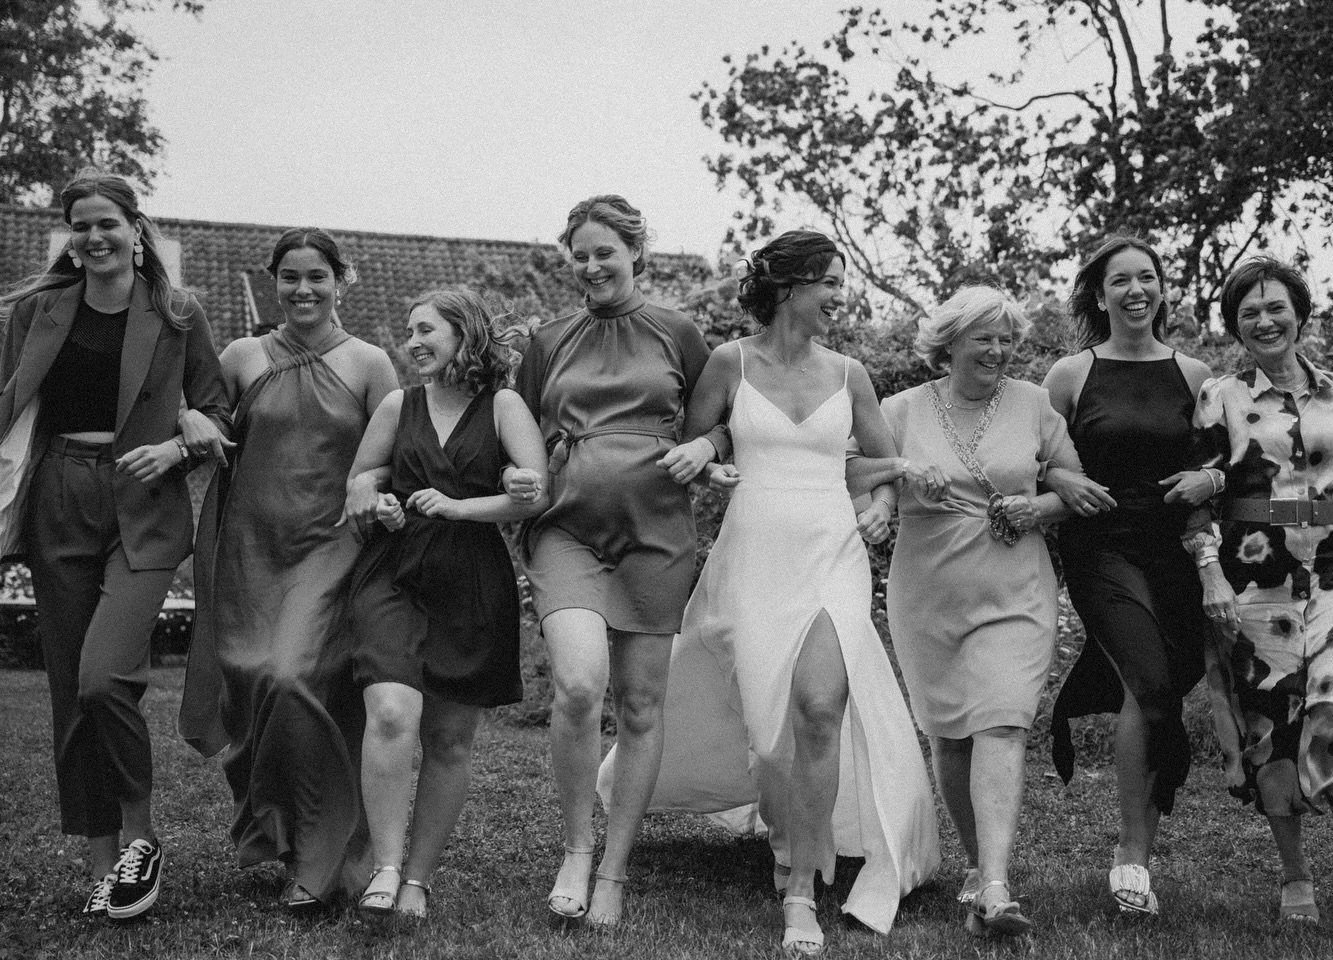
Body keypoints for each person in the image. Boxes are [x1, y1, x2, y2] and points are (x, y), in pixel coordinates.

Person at [604, 230, 940, 952]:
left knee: (819, 709)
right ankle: (789, 840)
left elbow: (881, 464)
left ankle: (800, 891)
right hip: (753, 555)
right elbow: (698, 447)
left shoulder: (850, 374)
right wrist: (711, 462)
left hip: (831, 552)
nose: (840, 297)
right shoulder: (730, 363)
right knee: (768, 735)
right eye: (831, 283)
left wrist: (883, 506)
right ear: (789, 286)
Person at [0, 170, 229, 919]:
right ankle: (104, 867)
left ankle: (141, 838)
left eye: (108, 223)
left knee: (104, 677)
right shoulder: (36, 311)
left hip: (145, 505)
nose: (95, 236)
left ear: (136, 230)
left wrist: (181, 446)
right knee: (70, 688)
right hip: (59, 497)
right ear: (69, 237)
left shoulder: (178, 312)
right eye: (81, 225)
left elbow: (219, 411)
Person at [505, 195, 729, 926]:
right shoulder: (548, 340)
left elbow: (725, 418)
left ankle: (614, 870)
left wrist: (710, 446)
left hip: (656, 534)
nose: (592, 265)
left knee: (639, 704)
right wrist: (514, 475)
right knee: (577, 685)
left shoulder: (677, 331)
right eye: (580, 255)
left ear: (636, 252)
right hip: (566, 529)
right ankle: (576, 850)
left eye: (605, 251)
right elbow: (513, 430)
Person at [848, 285, 1082, 936]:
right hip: (927, 593)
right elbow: (855, 470)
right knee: (950, 735)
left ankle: (997, 887)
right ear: (949, 343)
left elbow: (1072, 484)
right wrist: (891, 488)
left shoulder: (1033, 404)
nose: (999, 350)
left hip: (1015, 588)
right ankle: (978, 867)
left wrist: (1037, 506)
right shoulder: (899, 409)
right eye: (985, 337)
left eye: (1007, 339)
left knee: (1003, 723)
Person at [179, 227, 399, 909]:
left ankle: (319, 857)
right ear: (274, 281)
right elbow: (201, 419)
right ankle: (282, 832)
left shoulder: (369, 363)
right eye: (290, 277)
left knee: (290, 675)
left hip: (330, 545)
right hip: (250, 545)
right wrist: (188, 417)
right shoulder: (242, 355)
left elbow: (397, 448)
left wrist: (373, 484)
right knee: (251, 681)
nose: (303, 289)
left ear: (341, 281)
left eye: (317, 276)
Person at [1185, 257, 1333, 940]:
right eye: (1249, 312)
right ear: (1235, 326)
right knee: (1268, 723)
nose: (1265, 321)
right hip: (1254, 576)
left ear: (1300, 313)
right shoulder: (1220, 396)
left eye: (1276, 307)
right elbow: (1198, 495)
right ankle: (1295, 875)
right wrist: (1210, 573)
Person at [341, 288, 547, 919]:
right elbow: (361, 478)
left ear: (465, 332)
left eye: (425, 329)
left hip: (471, 580)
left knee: (451, 739)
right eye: (410, 331)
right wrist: (374, 497)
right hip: (394, 571)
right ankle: (385, 867)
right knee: (390, 713)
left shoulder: (503, 406)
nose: (413, 342)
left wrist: (461, 507)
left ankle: (417, 881)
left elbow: (535, 494)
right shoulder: (398, 405)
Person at [1041, 236, 1215, 916]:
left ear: (1162, 289)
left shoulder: (1196, 375)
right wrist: (1060, 478)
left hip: (1174, 552)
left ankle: (1140, 844)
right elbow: (1032, 453)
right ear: (1100, 294)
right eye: (1121, 280)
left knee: (1161, 687)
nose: (1136, 290)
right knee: (1147, 679)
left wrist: (1208, 479)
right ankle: (1132, 856)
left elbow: (1224, 464)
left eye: (1148, 277)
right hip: (1101, 546)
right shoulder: (1070, 375)